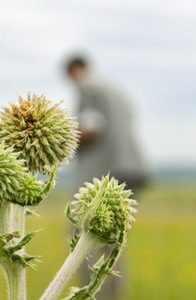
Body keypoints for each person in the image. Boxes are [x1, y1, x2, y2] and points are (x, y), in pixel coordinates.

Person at [65, 55, 148, 299]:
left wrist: (58, 138)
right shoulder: (118, 92)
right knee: (112, 242)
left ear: (73, 71)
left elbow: (91, 127)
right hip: (132, 170)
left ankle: (95, 296)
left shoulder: (87, 88)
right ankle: (112, 295)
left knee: (85, 239)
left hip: (103, 176)